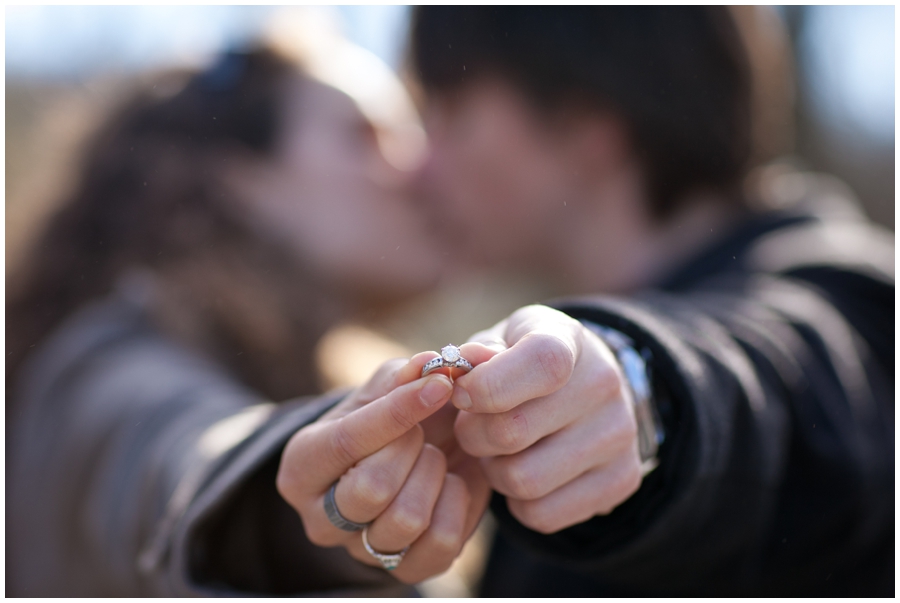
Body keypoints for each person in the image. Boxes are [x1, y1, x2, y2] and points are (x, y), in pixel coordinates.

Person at [283, 5, 892, 597]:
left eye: (449, 110)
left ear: (584, 123)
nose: (417, 166)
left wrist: (643, 394)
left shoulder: (857, 308)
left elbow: (779, 384)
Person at [6, 25, 474, 594]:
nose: (419, 169)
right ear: (239, 179)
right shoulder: (104, 363)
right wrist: (289, 490)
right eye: (364, 136)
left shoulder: (310, 371)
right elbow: (176, 456)